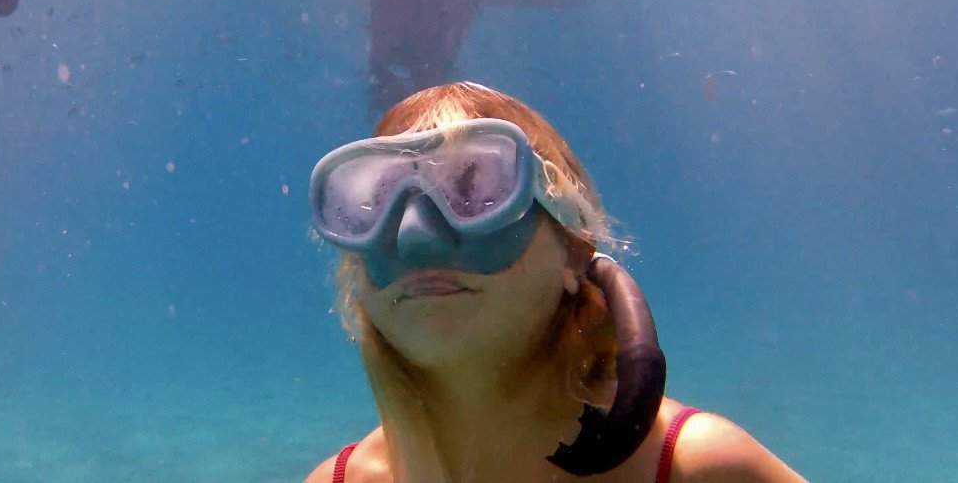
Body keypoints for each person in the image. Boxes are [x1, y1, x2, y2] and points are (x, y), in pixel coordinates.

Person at [304, 82, 806, 483]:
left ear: (574, 249)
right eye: (376, 201)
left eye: (476, 187)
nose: (415, 239)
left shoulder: (700, 469)